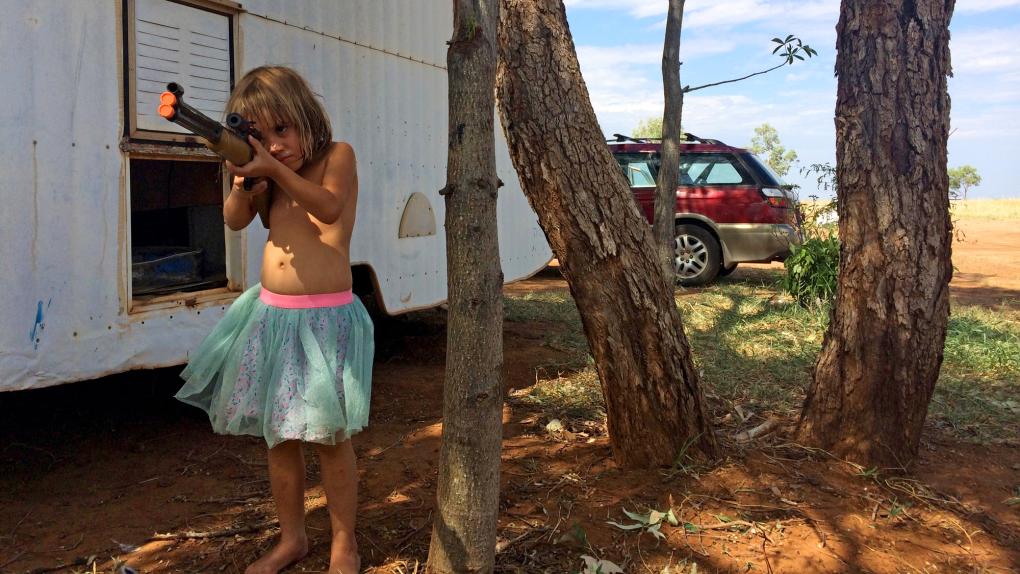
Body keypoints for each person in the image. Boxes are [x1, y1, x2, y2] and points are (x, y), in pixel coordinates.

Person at [175, 66, 372, 574]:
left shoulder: (337, 156)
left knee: (330, 438)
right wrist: (244, 181)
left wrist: (274, 170)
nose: (276, 145)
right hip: (272, 318)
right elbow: (234, 219)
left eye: (283, 130)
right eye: (262, 137)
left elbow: (329, 208)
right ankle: (292, 539)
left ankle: (344, 543)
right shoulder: (267, 171)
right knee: (280, 438)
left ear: (307, 116)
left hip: (325, 321)